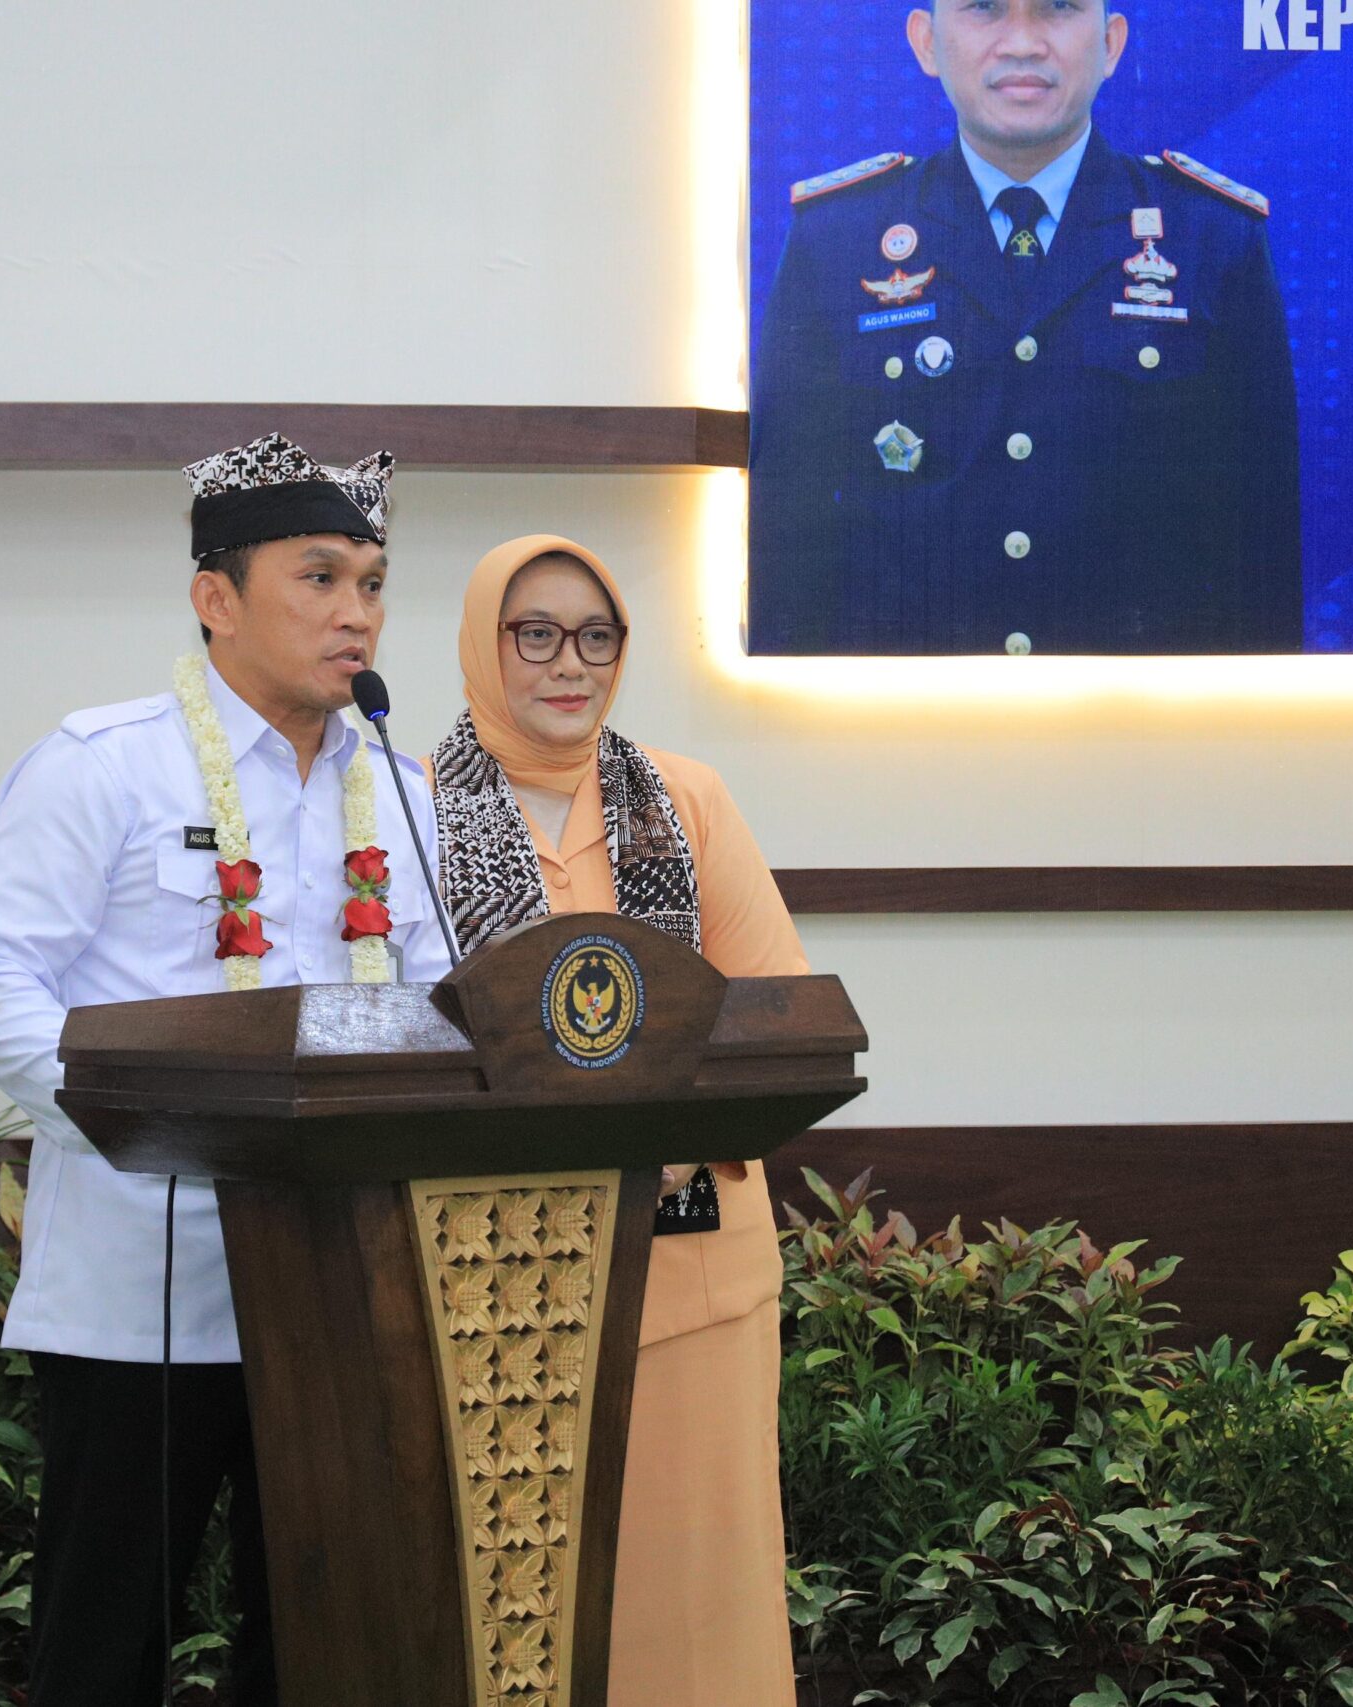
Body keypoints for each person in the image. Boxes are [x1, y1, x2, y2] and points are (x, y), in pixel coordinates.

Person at [0, 432, 452, 1706]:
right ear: (215, 597)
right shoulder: (104, 765)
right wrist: (150, 1124)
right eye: (319, 578)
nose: (357, 614)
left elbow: (438, 1011)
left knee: (322, 1654)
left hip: (339, 1298)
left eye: (373, 583)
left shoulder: (401, 792)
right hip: (141, 1294)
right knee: (103, 1652)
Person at [431, 534, 810, 1706]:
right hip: (488, 1281)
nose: (570, 663)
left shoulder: (685, 799)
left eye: (597, 637)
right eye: (535, 634)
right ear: (482, 644)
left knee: (696, 1601)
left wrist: (660, 1123)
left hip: (688, 1267)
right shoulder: (403, 807)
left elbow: (775, 1015)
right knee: (515, 1608)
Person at [749, 0, 1303, 656]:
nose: (1022, 42)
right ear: (926, 43)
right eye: (984, 9)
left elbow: (1260, 553)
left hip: (1135, 710)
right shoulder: (838, 240)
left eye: (1057, 8)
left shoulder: (1211, 238)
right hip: (911, 709)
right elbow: (789, 537)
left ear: (1111, 44)